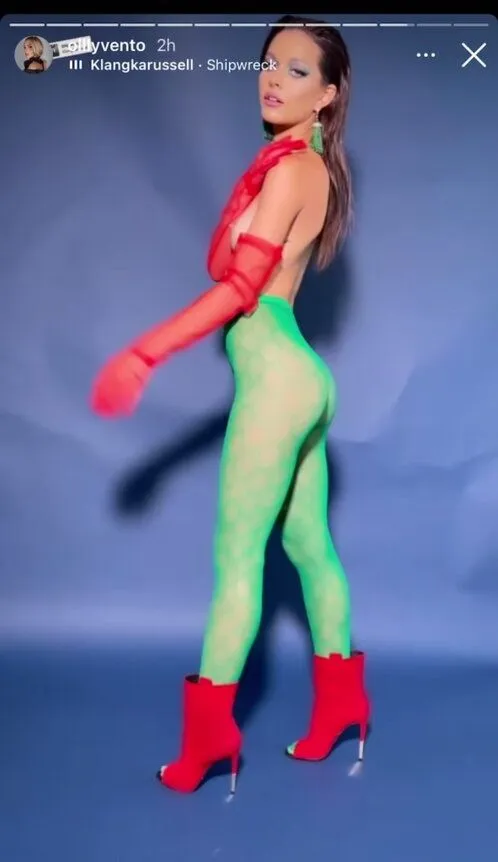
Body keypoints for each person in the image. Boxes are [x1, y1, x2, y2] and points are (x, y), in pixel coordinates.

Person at [91, 15, 371, 794]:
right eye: (269, 62)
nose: (274, 78)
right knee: (308, 545)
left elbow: (243, 288)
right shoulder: (305, 167)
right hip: (303, 375)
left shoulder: (289, 172)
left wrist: (146, 351)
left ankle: (209, 742)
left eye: (298, 70)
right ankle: (343, 709)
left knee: (239, 559)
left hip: (278, 375)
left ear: (328, 94)